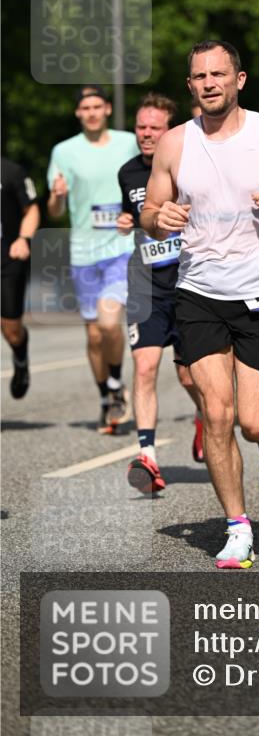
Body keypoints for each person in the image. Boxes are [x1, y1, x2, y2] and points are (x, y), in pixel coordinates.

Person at [140, 40, 259, 569]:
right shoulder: (175, 143)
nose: (210, 83)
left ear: (239, 80)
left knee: (254, 419)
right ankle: (238, 527)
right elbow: (152, 208)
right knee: (214, 414)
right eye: (200, 76)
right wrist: (159, 218)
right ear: (190, 86)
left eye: (220, 73)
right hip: (199, 290)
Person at [117, 94, 204, 493]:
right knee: (146, 367)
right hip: (146, 285)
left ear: (170, 130)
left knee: (190, 376)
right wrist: (125, 219)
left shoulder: (192, 163)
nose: (146, 134)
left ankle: (205, 418)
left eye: (155, 127)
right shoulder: (128, 173)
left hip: (188, 284)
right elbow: (134, 214)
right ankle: (147, 455)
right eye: (140, 127)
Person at [47, 86, 138, 433]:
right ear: (78, 113)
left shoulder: (128, 142)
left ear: (107, 109)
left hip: (121, 247)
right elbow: (54, 210)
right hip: (83, 251)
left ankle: (115, 384)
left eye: (97, 106)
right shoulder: (64, 151)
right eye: (85, 107)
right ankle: (106, 398)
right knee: (94, 337)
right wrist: (58, 197)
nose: (92, 112)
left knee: (108, 320)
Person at [1, 157, 40, 398]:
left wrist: (24, 239)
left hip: (7, 258)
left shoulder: (12, 171)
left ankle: (21, 356)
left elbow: (32, 209)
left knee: (11, 329)